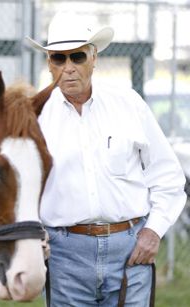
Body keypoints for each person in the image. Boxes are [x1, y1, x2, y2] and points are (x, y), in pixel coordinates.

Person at [26, 10, 187, 307]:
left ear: (94, 57)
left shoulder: (128, 104)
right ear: (49, 63)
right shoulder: (35, 116)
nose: (68, 67)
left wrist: (153, 231)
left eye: (77, 57)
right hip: (64, 254)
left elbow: (167, 176)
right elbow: (21, 189)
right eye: (58, 58)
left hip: (131, 250)